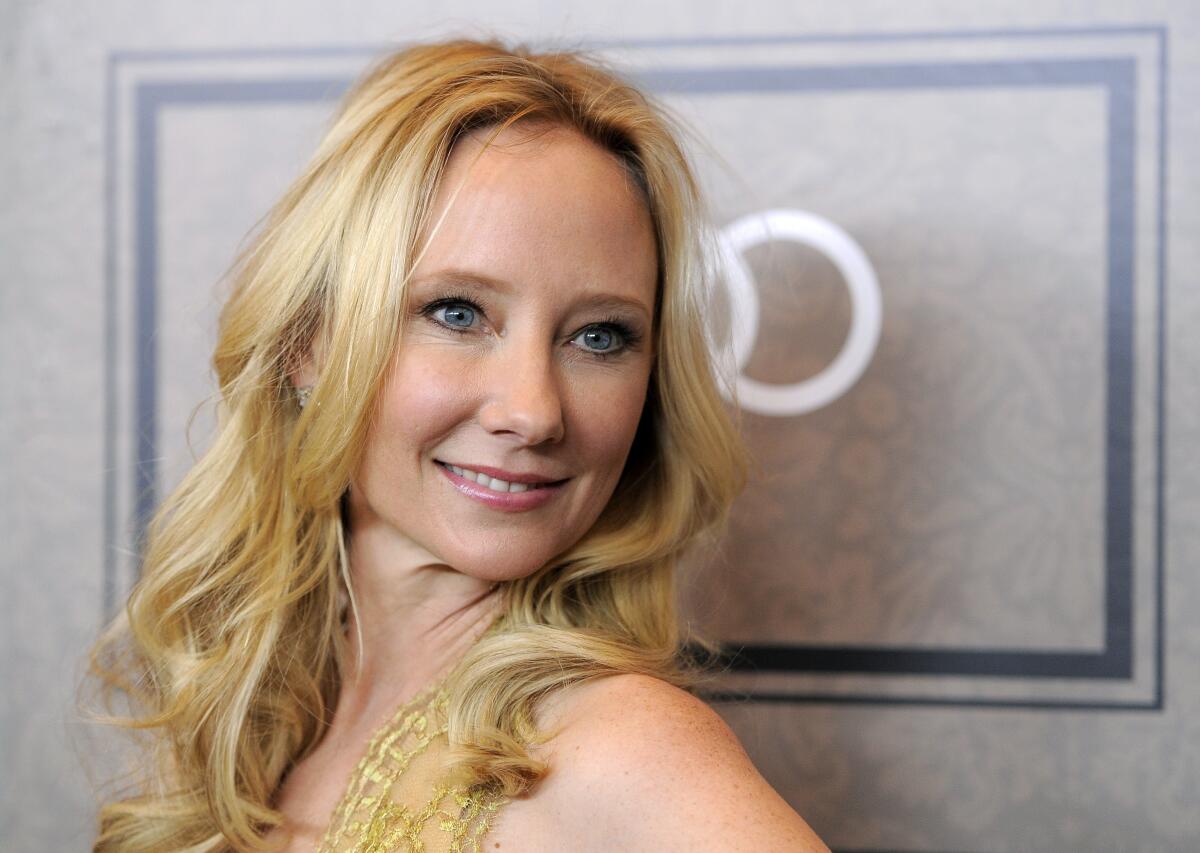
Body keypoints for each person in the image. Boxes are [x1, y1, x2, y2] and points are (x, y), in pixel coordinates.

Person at [83, 36, 831, 852]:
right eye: (458, 313)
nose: (534, 410)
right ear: (309, 343)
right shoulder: (267, 721)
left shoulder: (622, 749)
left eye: (600, 336)